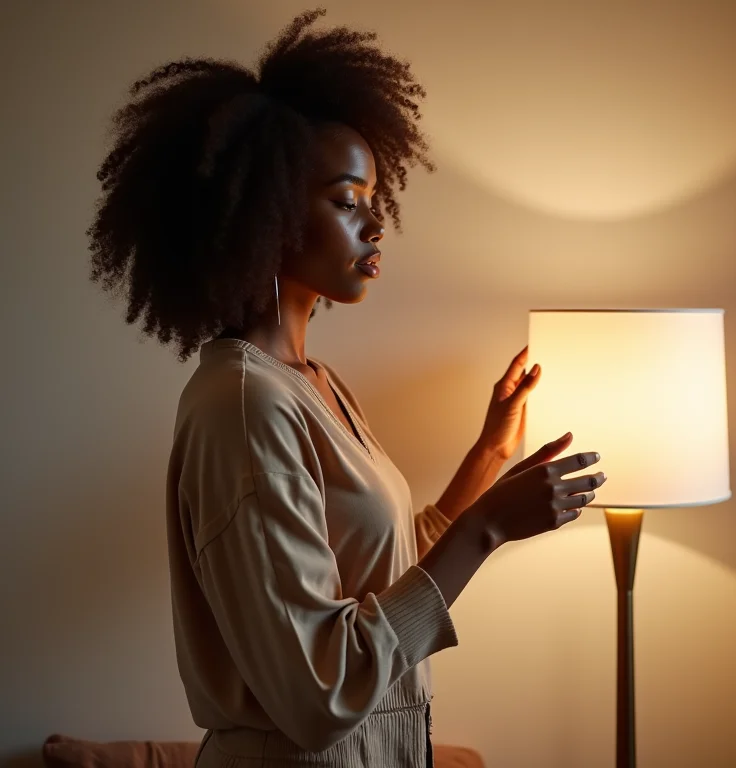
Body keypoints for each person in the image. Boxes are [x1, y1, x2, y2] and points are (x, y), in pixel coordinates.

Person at [86, 8, 606, 768]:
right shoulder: (243, 406)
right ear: (265, 217)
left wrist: (488, 456)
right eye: (344, 201)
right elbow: (318, 690)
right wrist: (485, 528)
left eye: (372, 200)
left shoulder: (310, 384)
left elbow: (387, 572)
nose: (375, 225)